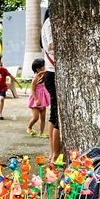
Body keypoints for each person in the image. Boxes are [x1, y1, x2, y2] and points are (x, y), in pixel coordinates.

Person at [41, 10, 61, 163]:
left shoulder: (47, 24)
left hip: (51, 73)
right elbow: (52, 45)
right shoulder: (49, 24)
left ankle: (53, 153)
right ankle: (55, 155)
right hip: (53, 73)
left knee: (54, 115)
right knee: (56, 116)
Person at [27, 58, 50, 137]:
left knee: (43, 118)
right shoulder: (35, 79)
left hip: (43, 99)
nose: (45, 68)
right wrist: (36, 100)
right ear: (38, 69)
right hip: (35, 100)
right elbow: (32, 90)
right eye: (44, 66)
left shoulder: (45, 76)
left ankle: (41, 132)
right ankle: (29, 127)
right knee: (36, 117)